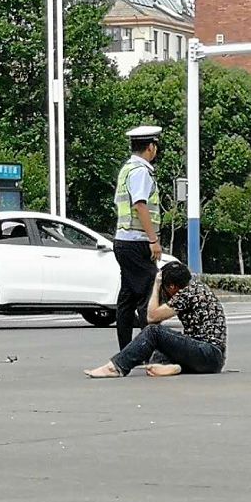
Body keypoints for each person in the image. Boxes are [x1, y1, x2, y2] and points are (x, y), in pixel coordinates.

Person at [84, 261, 227, 378]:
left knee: (153, 331)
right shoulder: (197, 287)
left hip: (208, 354)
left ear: (171, 286)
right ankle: (176, 367)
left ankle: (116, 367)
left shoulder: (187, 293)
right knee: (159, 349)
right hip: (210, 357)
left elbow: (151, 317)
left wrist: (156, 285)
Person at [112, 126, 163, 351]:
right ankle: (147, 350)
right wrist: (153, 240)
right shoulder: (141, 171)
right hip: (137, 241)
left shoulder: (126, 169)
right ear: (150, 147)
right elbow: (140, 204)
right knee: (149, 296)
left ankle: (127, 349)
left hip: (123, 240)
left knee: (128, 298)